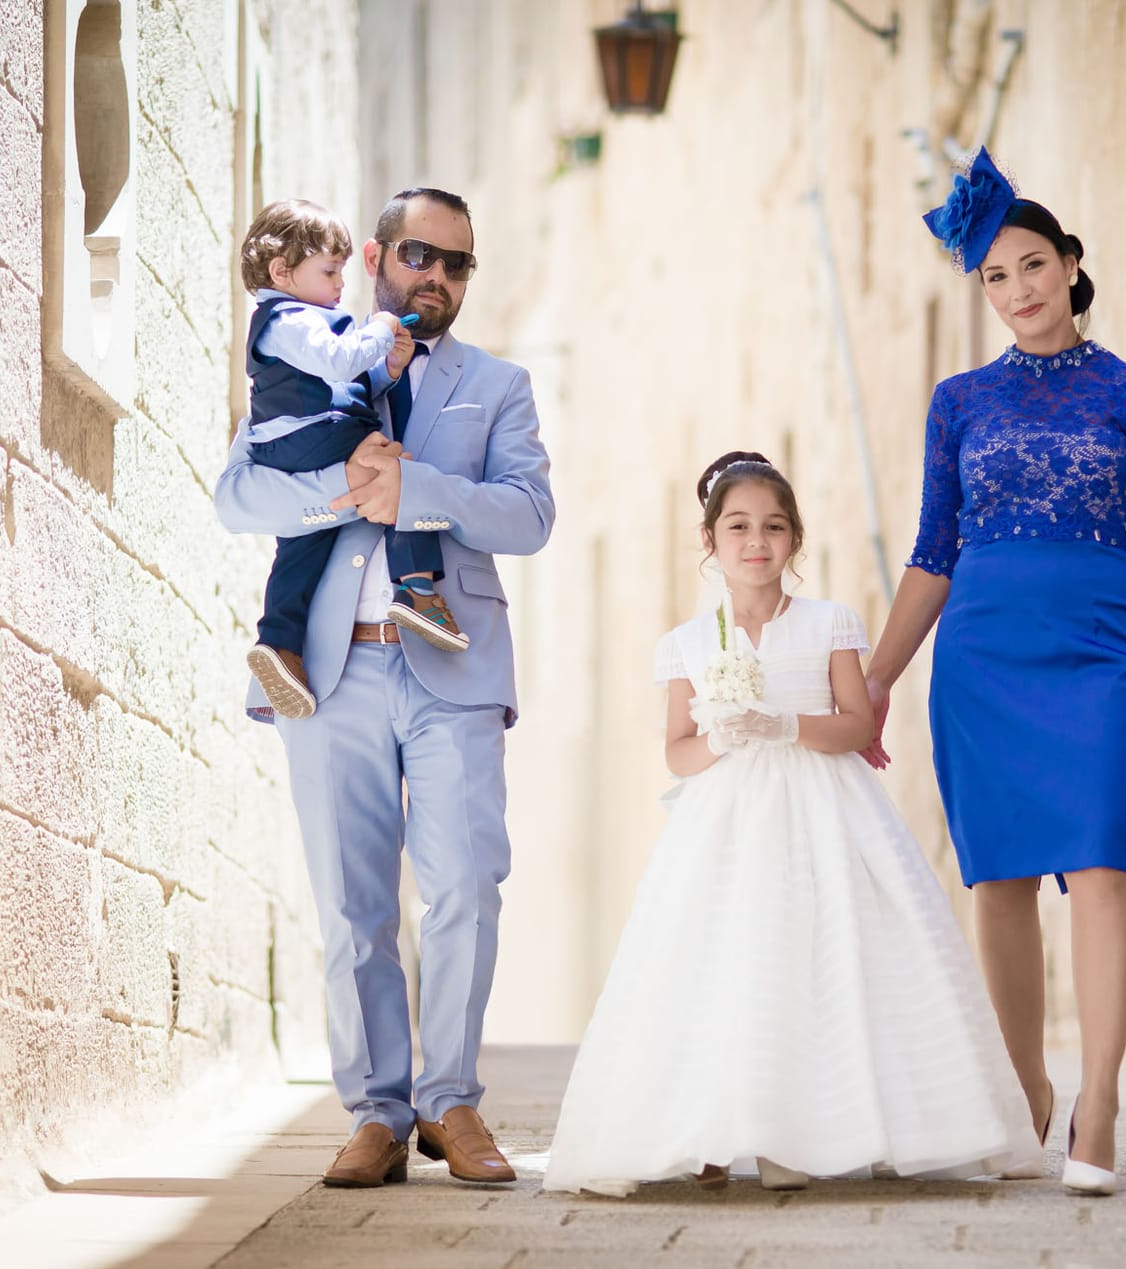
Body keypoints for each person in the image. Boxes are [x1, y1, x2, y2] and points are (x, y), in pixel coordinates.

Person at [543, 452, 1038, 1197]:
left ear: (794, 540)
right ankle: (713, 1127)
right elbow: (677, 751)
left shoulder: (829, 623)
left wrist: (781, 724)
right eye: (738, 526)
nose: (756, 542)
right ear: (710, 540)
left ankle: (806, 1133)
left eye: (774, 527)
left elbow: (856, 724)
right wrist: (723, 737)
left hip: (825, 812)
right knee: (726, 961)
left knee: (824, 954)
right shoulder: (687, 642)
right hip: (726, 823)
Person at [862, 147, 1126, 1196]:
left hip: (1102, 652)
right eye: (993, 277)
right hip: (979, 659)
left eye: (1029, 266)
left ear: (1068, 264)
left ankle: (1099, 1099)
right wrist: (874, 680)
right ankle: (1023, 1091)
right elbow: (931, 554)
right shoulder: (956, 402)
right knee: (999, 881)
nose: (1015, 291)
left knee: (1103, 864)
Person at [214, 187, 555, 1189]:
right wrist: (345, 491)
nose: (435, 277)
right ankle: (374, 1112)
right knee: (353, 905)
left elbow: (529, 515)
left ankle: (451, 1103)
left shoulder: (496, 385)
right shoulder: (306, 357)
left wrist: (424, 494)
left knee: (462, 891)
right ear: (374, 257)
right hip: (329, 674)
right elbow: (237, 497)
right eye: (418, 255)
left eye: (455, 264)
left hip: (451, 667)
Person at [236, 198, 467, 720]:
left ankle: (280, 643)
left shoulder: (302, 319)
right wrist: (381, 329)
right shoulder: (288, 319)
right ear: (281, 271)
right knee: (395, 470)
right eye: (329, 271)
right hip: (310, 435)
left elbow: (348, 381)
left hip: (302, 439)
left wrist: (387, 369)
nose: (340, 286)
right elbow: (337, 361)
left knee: (301, 545)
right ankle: (416, 588)